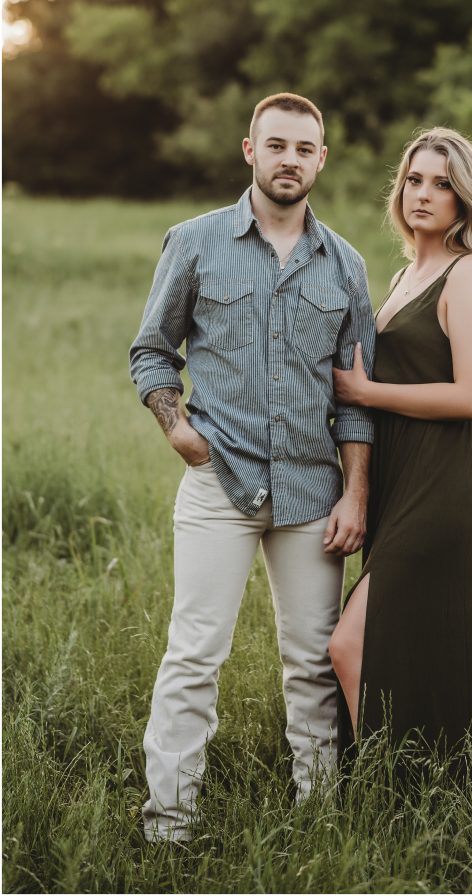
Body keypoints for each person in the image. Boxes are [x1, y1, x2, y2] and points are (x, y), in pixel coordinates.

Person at [130, 92, 375, 841]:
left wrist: (356, 493)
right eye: (277, 146)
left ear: (321, 159)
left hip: (311, 493)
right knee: (195, 652)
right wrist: (178, 431)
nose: (289, 160)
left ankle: (320, 816)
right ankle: (169, 823)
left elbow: (356, 398)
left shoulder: (346, 264)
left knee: (312, 660)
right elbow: (151, 351)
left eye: (304, 149)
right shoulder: (197, 242)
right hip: (218, 483)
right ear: (250, 151)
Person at [329, 126, 472, 771]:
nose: (423, 194)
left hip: (446, 483)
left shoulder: (469, 275)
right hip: (402, 478)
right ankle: (445, 779)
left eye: (442, 184)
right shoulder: (409, 271)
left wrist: (365, 391)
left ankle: (385, 788)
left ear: (466, 199)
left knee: (351, 643)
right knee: (411, 641)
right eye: (413, 179)